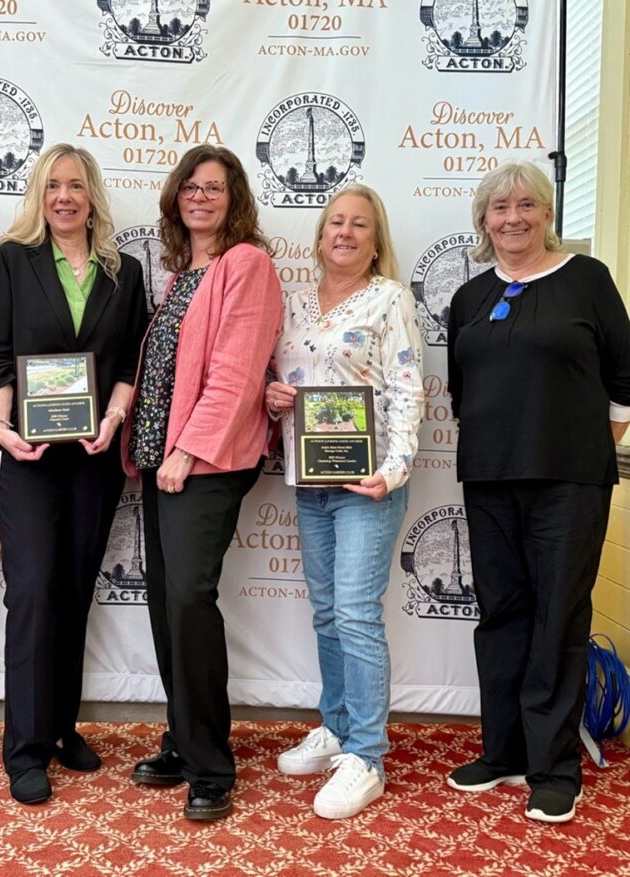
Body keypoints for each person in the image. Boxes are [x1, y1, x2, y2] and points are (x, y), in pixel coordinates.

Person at [445, 161, 630, 824]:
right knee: (501, 613)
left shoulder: (587, 280)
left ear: (547, 213)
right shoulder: (469, 298)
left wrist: (594, 444)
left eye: (527, 205)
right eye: (500, 207)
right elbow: (462, 393)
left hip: (569, 480)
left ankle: (554, 767)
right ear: (484, 219)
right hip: (490, 475)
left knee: (558, 618)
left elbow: (624, 374)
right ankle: (504, 751)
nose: (513, 217)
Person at [0, 143, 148, 805]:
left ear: (92, 194)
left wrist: (113, 419)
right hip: (28, 456)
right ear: (39, 196)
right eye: (53, 186)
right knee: (32, 593)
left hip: (94, 457)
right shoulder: (14, 261)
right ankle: (23, 748)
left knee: (75, 590)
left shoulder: (123, 270)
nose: (64, 197)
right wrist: (1, 426)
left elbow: (130, 362)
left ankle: (59, 729)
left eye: (76, 185)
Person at [123, 145, 282, 821]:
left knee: (189, 600)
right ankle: (184, 741)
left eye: (214, 187)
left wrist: (187, 452)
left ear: (234, 198)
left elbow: (238, 374)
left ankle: (213, 764)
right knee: (167, 604)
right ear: (175, 199)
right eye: (189, 186)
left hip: (205, 462)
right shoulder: (183, 272)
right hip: (162, 461)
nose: (200, 196)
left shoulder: (247, 264)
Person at [266, 184, 423, 819]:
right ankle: (335, 727)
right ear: (320, 234)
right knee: (329, 613)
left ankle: (367, 754)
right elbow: (285, 381)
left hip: (368, 484)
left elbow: (409, 387)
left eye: (360, 224)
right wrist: (274, 397)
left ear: (376, 240)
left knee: (357, 613)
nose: (346, 233)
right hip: (310, 481)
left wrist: (395, 468)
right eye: (336, 222)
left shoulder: (390, 298)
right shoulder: (295, 303)